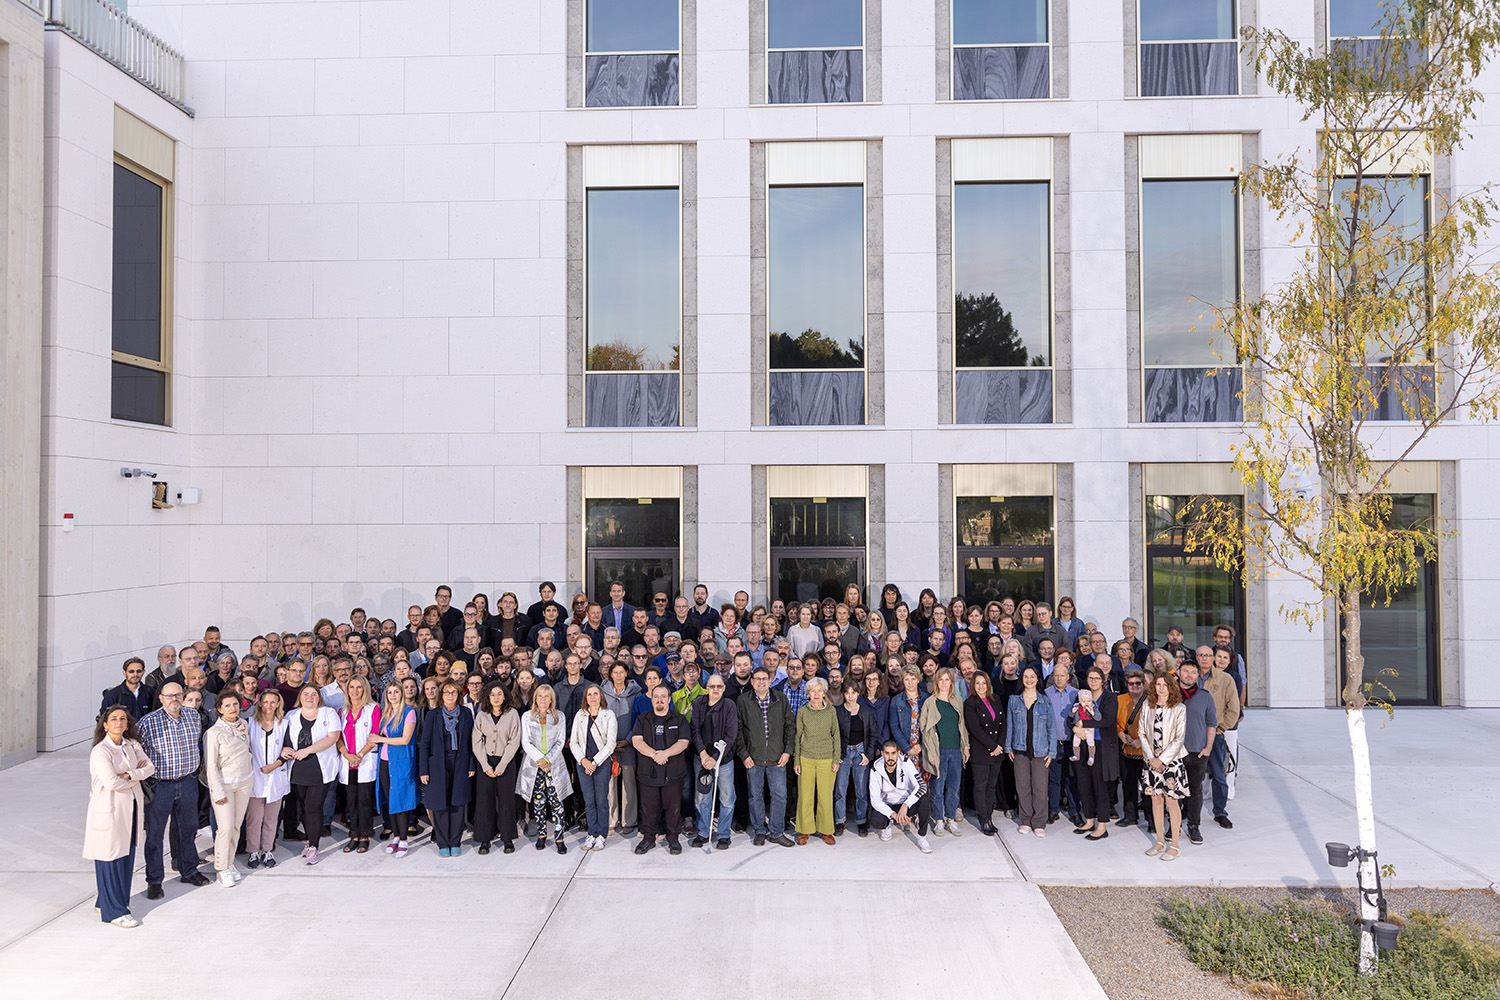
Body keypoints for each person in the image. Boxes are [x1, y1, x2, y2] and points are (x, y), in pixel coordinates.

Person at [137, 682, 210, 899]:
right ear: (161, 698)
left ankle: (189, 870)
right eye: (169, 696)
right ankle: (155, 881)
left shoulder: (192, 716)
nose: (174, 699)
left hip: (188, 782)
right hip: (160, 785)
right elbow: (136, 753)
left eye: (178, 695)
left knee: (188, 829)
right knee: (155, 835)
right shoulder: (148, 723)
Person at [85, 707, 155, 927]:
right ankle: (115, 911)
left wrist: (129, 774)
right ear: (104, 724)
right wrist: (136, 776)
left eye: (122, 719)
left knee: (126, 856)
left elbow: (150, 767)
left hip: (131, 810)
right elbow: (111, 783)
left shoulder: (132, 744)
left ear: (127, 723)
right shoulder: (100, 751)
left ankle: (104, 901)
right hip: (109, 811)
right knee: (111, 858)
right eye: (113, 719)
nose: (118, 722)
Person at [736, 664, 796, 848]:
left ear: (770, 681)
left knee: (780, 796)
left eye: (765, 679)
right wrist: (744, 754)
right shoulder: (743, 701)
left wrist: (788, 751)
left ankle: (776, 832)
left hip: (777, 757)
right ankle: (759, 831)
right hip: (753, 758)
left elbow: (790, 726)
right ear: (752, 682)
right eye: (758, 679)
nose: (761, 682)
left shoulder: (780, 698)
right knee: (755, 796)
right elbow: (737, 730)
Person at [281, 685, 341, 865]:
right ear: (300, 697)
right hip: (298, 768)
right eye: (306, 694)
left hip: (319, 768)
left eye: (313, 694)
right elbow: (284, 738)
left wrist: (307, 751)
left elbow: (333, 738)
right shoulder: (291, 715)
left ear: (319, 698)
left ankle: (314, 846)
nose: (309, 697)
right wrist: (284, 748)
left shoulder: (328, 713)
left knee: (314, 807)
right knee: (304, 808)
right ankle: (309, 841)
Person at [631, 684, 692, 855]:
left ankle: (673, 839)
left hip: (672, 772)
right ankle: (648, 839)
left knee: (673, 809)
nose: (659, 699)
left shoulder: (679, 720)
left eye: (663, 696)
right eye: (656, 696)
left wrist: (665, 753)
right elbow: (637, 741)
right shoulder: (642, 719)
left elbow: (683, 742)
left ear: (668, 699)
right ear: (651, 699)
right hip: (648, 772)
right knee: (648, 808)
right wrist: (654, 755)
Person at [202, 690, 253, 886]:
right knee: (224, 827)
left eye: (235, 704)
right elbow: (211, 765)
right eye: (227, 705)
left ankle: (229, 862)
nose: (232, 708)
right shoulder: (214, 733)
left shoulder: (244, 725)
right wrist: (217, 791)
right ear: (219, 709)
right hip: (224, 785)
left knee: (235, 826)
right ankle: (221, 868)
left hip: (244, 782)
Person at [420, 680, 476, 857]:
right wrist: (423, 770)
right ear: (441, 695)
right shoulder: (433, 715)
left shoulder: (466, 713)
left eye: (453, 692)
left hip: (460, 762)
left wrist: (471, 764)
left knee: (458, 803)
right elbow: (425, 743)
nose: (450, 695)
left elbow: (471, 742)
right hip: (437, 765)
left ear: (459, 695)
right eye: (446, 692)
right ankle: (443, 842)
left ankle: (455, 841)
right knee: (440, 803)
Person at [1140, 672, 1189, 861]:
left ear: (1171, 687)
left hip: (1171, 763)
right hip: (1151, 761)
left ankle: (1174, 845)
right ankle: (1160, 842)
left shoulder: (1179, 708)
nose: (1161, 688)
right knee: (1156, 800)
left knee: (1171, 801)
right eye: (1158, 684)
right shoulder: (1147, 705)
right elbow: (1142, 733)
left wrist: (1163, 759)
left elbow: (1179, 738)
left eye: (1165, 685)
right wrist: (1151, 758)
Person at [519, 684, 571, 854]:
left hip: (553, 764)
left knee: (557, 803)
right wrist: (540, 759)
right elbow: (526, 742)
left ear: (551, 699)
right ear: (535, 698)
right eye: (540, 696)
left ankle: (559, 837)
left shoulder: (559, 716)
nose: (543, 699)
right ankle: (542, 835)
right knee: (539, 802)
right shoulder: (527, 716)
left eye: (546, 696)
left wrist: (548, 759)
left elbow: (560, 740)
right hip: (535, 765)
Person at [471, 680, 522, 855]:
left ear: (505, 696)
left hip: (506, 762)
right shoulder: (481, 715)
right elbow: (476, 742)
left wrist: (502, 765)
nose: (496, 697)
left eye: (499, 694)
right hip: (486, 763)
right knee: (485, 801)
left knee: (507, 801)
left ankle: (507, 838)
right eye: (492, 694)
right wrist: (485, 766)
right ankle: (485, 839)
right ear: (487, 697)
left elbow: (514, 741)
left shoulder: (512, 714)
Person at [1005, 665, 1056, 837]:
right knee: (1023, 787)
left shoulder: (1045, 701)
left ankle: (1039, 821)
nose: (1029, 680)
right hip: (1019, 750)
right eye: (1025, 676)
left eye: (1032, 676)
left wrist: (1052, 752)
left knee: (1040, 788)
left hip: (1041, 752)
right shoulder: (1014, 700)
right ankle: (1025, 820)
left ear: (1037, 679)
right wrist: (1008, 747)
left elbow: (1052, 727)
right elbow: (1010, 725)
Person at [689, 672, 737, 849]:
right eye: (712, 686)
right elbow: (694, 730)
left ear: (723, 689)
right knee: (702, 797)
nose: (715, 689)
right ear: (706, 688)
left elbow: (730, 735)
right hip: (701, 758)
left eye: (719, 686)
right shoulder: (698, 703)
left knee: (727, 798)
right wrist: (703, 755)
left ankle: (724, 833)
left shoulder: (730, 705)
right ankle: (703, 831)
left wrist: (715, 758)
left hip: (723, 760)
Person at [919, 667, 969, 837]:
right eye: (941, 679)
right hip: (938, 751)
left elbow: (962, 726)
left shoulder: (957, 700)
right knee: (938, 788)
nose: (944, 683)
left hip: (955, 750)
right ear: (936, 682)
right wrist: (931, 754)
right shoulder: (930, 702)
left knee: (954, 787)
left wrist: (966, 747)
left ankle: (950, 818)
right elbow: (924, 729)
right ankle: (939, 820)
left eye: (948, 679)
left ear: (951, 682)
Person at [371, 681, 419, 856]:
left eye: (396, 692)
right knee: (390, 799)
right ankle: (396, 836)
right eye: (389, 692)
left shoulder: (409, 712)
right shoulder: (386, 714)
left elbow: (405, 739)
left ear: (402, 693)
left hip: (401, 762)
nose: (392, 695)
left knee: (402, 799)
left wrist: (380, 739)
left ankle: (405, 840)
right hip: (385, 761)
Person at [1071, 666, 1119, 841]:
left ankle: (1102, 825)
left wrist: (1084, 724)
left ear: (1103, 681)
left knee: (1100, 785)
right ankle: (1089, 820)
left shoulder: (1110, 698)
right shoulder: (1082, 695)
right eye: (1090, 678)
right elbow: (1072, 718)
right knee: (1084, 783)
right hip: (1083, 743)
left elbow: (1108, 721)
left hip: (1101, 745)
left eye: (1096, 679)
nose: (1093, 681)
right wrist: (1076, 727)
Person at [245, 689, 290, 869]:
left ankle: (267, 850)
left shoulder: (285, 724)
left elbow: (289, 749)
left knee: (272, 818)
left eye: (273, 702)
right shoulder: (250, 724)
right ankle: (253, 851)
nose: (269, 705)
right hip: (255, 777)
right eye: (265, 702)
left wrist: (274, 765)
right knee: (254, 818)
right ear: (259, 704)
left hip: (276, 776)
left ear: (278, 704)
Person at [569, 683, 617, 851]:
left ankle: (602, 835)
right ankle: (592, 833)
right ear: (586, 698)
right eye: (589, 694)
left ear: (601, 696)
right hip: (583, 764)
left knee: (601, 800)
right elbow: (573, 741)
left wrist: (595, 762)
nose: (593, 697)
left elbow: (611, 744)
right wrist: (583, 760)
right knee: (589, 801)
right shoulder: (580, 715)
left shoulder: (608, 715)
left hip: (601, 764)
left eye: (596, 694)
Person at [1177, 658, 1219, 846]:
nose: (1189, 675)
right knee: (1174, 792)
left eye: (1193, 672)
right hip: (1173, 753)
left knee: (1195, 791)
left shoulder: (1205, 696)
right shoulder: (1170, 693)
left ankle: (1194, 826)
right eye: (1185, 671)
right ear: (1178, 672)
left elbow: (1212, 723)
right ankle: (1174, 825)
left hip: (1197, 752)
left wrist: (1208, 747)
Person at [793, 677, 840, 845]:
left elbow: (836, 735)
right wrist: (796, 760)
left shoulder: (831, 711)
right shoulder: (802, 711)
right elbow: (797, 736)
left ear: (824, 693)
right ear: (808, 693)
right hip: (806, 758)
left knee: (825, 796)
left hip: (826, 759)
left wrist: (836, 758)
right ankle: (805, 830)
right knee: (805, 796)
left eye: (820, 691)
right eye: (813, 691)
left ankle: (826, 831)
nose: (816, 694)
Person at [337, 677, 380, 854]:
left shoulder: (373, 709)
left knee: (364, 800)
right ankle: (354, 834)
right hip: (348, 762)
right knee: (351, 800)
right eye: (352, 687)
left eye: (359, 687)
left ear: (365, 690)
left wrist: (359, 755)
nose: (355, 691)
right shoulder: (342, 711)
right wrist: (347, 755)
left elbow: (374, 734)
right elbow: (338, 738)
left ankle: (364, 835)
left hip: (364, 760)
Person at [867, 739, 933, 853]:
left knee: (924, 800)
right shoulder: (875, 769)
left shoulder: (906, 763)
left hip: (905, 805)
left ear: (898, 753)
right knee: (876, 820)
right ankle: (888, 824)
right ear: (882, 754)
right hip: (888, 806)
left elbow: (921, 786)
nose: (890, 757)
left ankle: (922, 837)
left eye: (893, 753)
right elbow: (875, 800)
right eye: (887, 753)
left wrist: (906, 805)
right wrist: (892, 814)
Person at [1203, 646, 1243, 830]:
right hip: (1193, 735)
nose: (1204, 658)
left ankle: (1220, 812)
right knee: (1191, 774)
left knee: (1218, 774)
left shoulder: (1225, 679)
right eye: (1201, 655)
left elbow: (1234, 708)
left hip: (1215, 734)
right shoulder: (1190, 676)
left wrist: (1221, 728)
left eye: (1208, 656)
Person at [601, 662, 641, 835]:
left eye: (621, 672)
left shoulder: (636, 692)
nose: (618, 675)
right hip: (607, 745)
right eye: (615, 672)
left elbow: (638, 718)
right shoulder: (603, 692)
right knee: (609, 783)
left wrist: (628, 739)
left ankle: (629, 820)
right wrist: (608, 742)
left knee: (629, 784)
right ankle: (611, 819)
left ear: (626, 673)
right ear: (610, 674)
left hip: (629, 743)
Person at [963, 670, 1005, 837]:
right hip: (981, 751)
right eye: (977, 683)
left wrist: (999, 746)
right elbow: (975, 729)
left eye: (984, 683)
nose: (981, 686)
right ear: (973, 685)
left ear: (988, 684)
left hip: (997, 751)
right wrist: (992, 746)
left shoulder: (996, 700)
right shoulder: (970, 703)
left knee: (991, 786)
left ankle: (989, 816)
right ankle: (984, 819)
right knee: (980, 786)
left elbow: (1003, 724)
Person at [834, 680, 876, 837]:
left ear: (858, 694)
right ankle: (840, 821)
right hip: (843, 754)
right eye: (847, 693)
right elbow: (833, 734)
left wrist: (868, 754)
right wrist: (836, 754)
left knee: (861, 791)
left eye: (853, 693)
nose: (850, 696)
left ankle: (861, 822)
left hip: (860, 753)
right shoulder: (837, 711)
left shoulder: (865, 712)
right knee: (840, 789)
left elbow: (873, 734)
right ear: (843, 694)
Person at [1115, 669, 1149, 828]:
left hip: (1145, 752)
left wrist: (1141, 741)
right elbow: (1113, 722)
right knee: (1128, 785)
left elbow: (1155, 726)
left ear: (1143, 685)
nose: (1134, 686)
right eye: (1131, 683)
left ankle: (1151, 819)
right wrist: (1122, 735)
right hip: (1126, 750)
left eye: (1138, 683)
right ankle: (1130, 816)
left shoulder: (1151, 701)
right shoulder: (1120, 700)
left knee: (1148, 787)